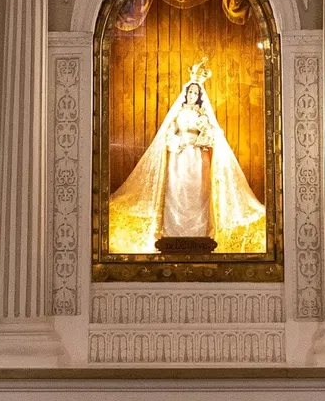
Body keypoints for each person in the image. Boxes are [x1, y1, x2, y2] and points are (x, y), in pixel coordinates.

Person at [107, 59, 266, 255]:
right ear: (186, 94)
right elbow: (168, 132)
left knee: (198, 193)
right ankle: (172, 234)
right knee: (176, 190)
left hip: (197, 158)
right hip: (179, 157)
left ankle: (199, 235)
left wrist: (204, 137)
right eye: (190, 92)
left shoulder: (203, 115)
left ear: (199, 96)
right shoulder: (179, 113)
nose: (192, 95)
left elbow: (213, 134)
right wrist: (177, 142)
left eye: (195, 93)